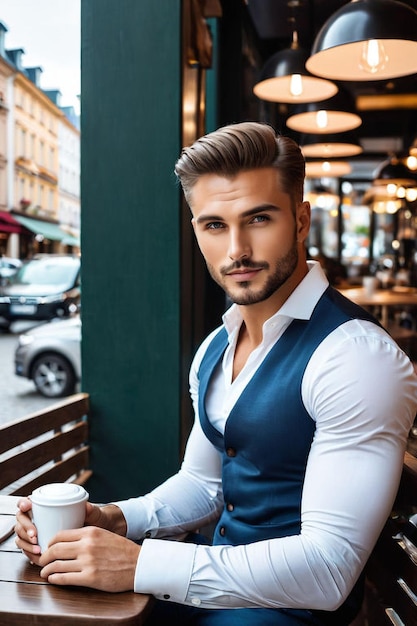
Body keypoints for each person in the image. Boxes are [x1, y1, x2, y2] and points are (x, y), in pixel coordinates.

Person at [15, 122, 417, 625]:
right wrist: (114, 518)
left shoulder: (356, 359)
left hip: (291, 614)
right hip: (212, 590)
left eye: (259, 219)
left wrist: (141, 563)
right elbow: (203, 485)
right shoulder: (215, 347)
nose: (237, 250)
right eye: (214, 225)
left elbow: (328, 570)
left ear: (300, 220)